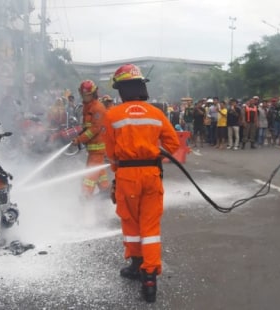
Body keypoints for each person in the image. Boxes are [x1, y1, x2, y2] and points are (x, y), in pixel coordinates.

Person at [102, 64, 180, 303]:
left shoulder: (112, 116)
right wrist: (153, 154)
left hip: (126, 177)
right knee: (150, 227)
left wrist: (119, 169)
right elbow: (173, 145)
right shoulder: (156, 114)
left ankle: (136, 264)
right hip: (151, 175)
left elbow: (111, 152)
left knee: (131, 222)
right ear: (141, 87)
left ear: (121, 91)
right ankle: (149, 278)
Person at [72, 80, 111, 199]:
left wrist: (80, 139)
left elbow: (94, 129)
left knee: (90, 172)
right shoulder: (87, 106)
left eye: (88, 95)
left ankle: (86, 194)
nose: (85, 97)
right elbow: (87, 126)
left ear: (93, 94)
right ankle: (105, 188)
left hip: (98, 146)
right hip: (93, 147)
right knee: (99, 170)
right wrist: (80, 134)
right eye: (83, 95)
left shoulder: (97, 108)